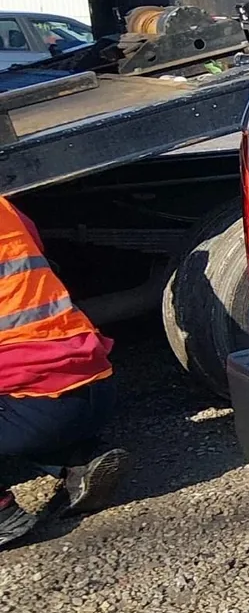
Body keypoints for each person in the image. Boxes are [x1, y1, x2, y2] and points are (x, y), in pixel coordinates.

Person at [0, 195, 126, 546]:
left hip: (34, 408)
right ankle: (78, 459)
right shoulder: (4, 207)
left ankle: (3, 515)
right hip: (95, 385)